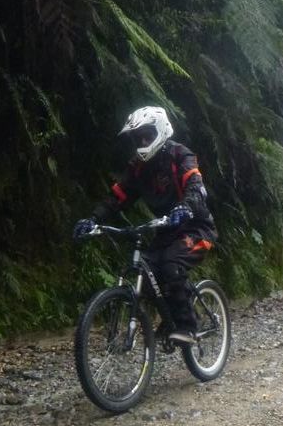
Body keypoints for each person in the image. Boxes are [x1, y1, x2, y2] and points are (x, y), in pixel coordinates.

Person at [73, 106, 217, 344]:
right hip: (167, 230)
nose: (142, 141)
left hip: (196, 227)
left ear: (160, 131)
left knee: (171, 264)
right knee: (147, 273)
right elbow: (119, 196)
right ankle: (171, 319)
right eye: (137, 137)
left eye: (147, 135)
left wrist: (186, 206)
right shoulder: (138, 167)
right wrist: (93, 219)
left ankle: (188, 326)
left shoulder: (180, 155)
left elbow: (195, 186)